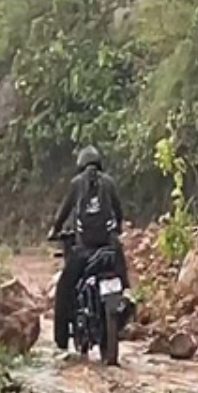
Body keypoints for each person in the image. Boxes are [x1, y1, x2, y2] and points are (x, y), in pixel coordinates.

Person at [49, 145, 131, 350]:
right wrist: (117, 229)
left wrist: (55, 230)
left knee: (64, 286)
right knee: (123, 281)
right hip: (109, 251)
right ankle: (127, 302)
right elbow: (118, 212)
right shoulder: (109, 183)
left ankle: (61, 340)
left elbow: (63, 213)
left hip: (84, 252)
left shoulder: (76, 184)